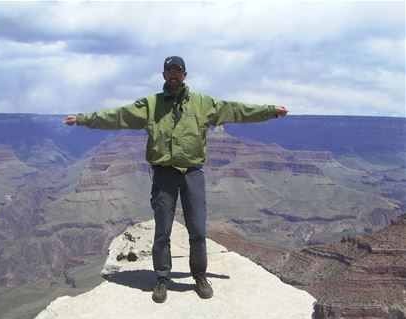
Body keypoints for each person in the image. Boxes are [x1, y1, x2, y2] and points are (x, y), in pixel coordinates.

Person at [64, 56, 288, 303]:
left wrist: (271, 111)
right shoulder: (150, 105)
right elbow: (117, 116)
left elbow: (236, 110)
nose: (174, 75)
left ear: (185, 75)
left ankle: (200, 276)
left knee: (198, 230)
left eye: (178, 71)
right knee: (162, 231)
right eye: (170, 71)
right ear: (163, 75)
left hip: (192, 174)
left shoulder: (203, 103)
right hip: (164, 174)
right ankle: (162, 278)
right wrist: (83, 118)